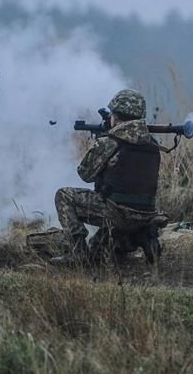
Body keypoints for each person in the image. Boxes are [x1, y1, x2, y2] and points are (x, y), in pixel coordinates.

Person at [51, 89, 162, 265]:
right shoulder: (153, 144)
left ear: (115, 117)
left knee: (64, 195)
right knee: (97, 250)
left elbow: (85, 174)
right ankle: (142, 236)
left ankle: (77, 252)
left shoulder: (109, 142)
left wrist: (98, 145)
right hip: (146, 214)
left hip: (118, 213)